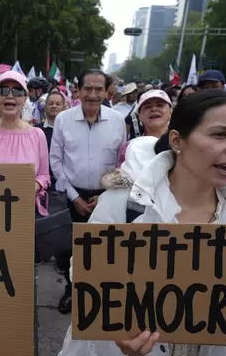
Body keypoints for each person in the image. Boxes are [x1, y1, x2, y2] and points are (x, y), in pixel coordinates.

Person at [57, 89, 226, 356]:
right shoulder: (123, 205)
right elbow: (85, 276)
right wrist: (118, 336)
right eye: (220, 134)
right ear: (177, 140)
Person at [49, 69, 126, 314]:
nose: (93, 95)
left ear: (107, 91)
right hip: (73, 198)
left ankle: (96, 298)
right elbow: (56, 161)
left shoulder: (117, 120)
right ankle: (71, 292)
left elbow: (121, 162)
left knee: (102, 249)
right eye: (88, 89)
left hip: (107, 196)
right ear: (78, 91)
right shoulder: (63, 120)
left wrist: (105, 194)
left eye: (99, 89)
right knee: (71, 251)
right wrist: (75, 197)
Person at [0, 71, 50, 213]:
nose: (10, 96)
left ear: (25, 99)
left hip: (23, 213)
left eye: (18, 91)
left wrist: (34, 187)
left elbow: (44, 175)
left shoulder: (37, 135)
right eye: (4, 90)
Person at [117, 90, 172, 167]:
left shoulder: (183, 142)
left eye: (160, 105)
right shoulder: (130, 147)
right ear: (140, 116)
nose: (154, 109)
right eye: (147, 107)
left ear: (170, 111)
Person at [36, 91, 65, 186]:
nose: (54, 106)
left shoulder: (71, 130)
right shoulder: (36, 131)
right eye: (50, 103)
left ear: (64, 107)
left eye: (58, 104)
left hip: (66, 182)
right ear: (45, 107)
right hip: (42, 183)